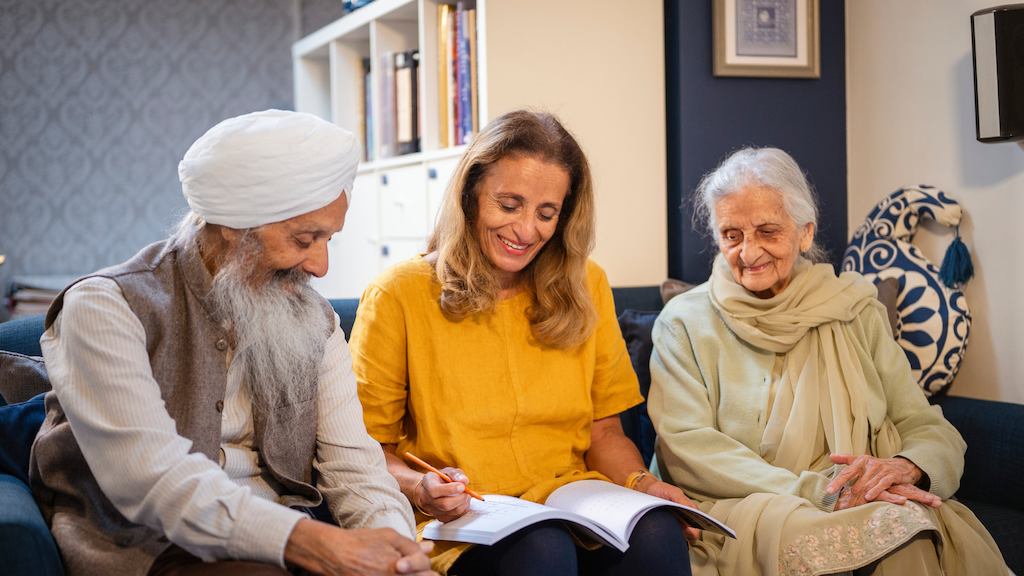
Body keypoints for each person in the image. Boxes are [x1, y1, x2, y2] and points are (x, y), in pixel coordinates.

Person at [30, 110, 434, 576]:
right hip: (150, 549)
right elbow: (155, 482)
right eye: (305, 238)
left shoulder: (313, 318)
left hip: (296, 536)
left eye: (329, 239)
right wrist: (317, 545)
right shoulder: (104, 308)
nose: (321, 266)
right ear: (233, 225)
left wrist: (397, 550)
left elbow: (355, 466)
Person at [349, 110, 694, 576]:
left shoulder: (586, 284)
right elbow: (366, 451)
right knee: (542, 548)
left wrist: (642, 483)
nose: (527, 230)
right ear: (470, 194)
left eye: (546, 213)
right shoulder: (399, 293)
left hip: (572, 500)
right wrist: (418, 487)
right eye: (509, 205)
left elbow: (605, 433)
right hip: (462, 515)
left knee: (657, 532)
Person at [648, 147, 1008, 575]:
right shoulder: (684, 323)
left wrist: (906, 467)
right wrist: (820, 491)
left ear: (804, 233)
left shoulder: (855, 309)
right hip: (744, 506)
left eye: (767, 231)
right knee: (884, 527)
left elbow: (925, 426)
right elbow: (687, 448)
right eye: (732, 235)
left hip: (865, 501)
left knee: (907, 529)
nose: (748, 252)